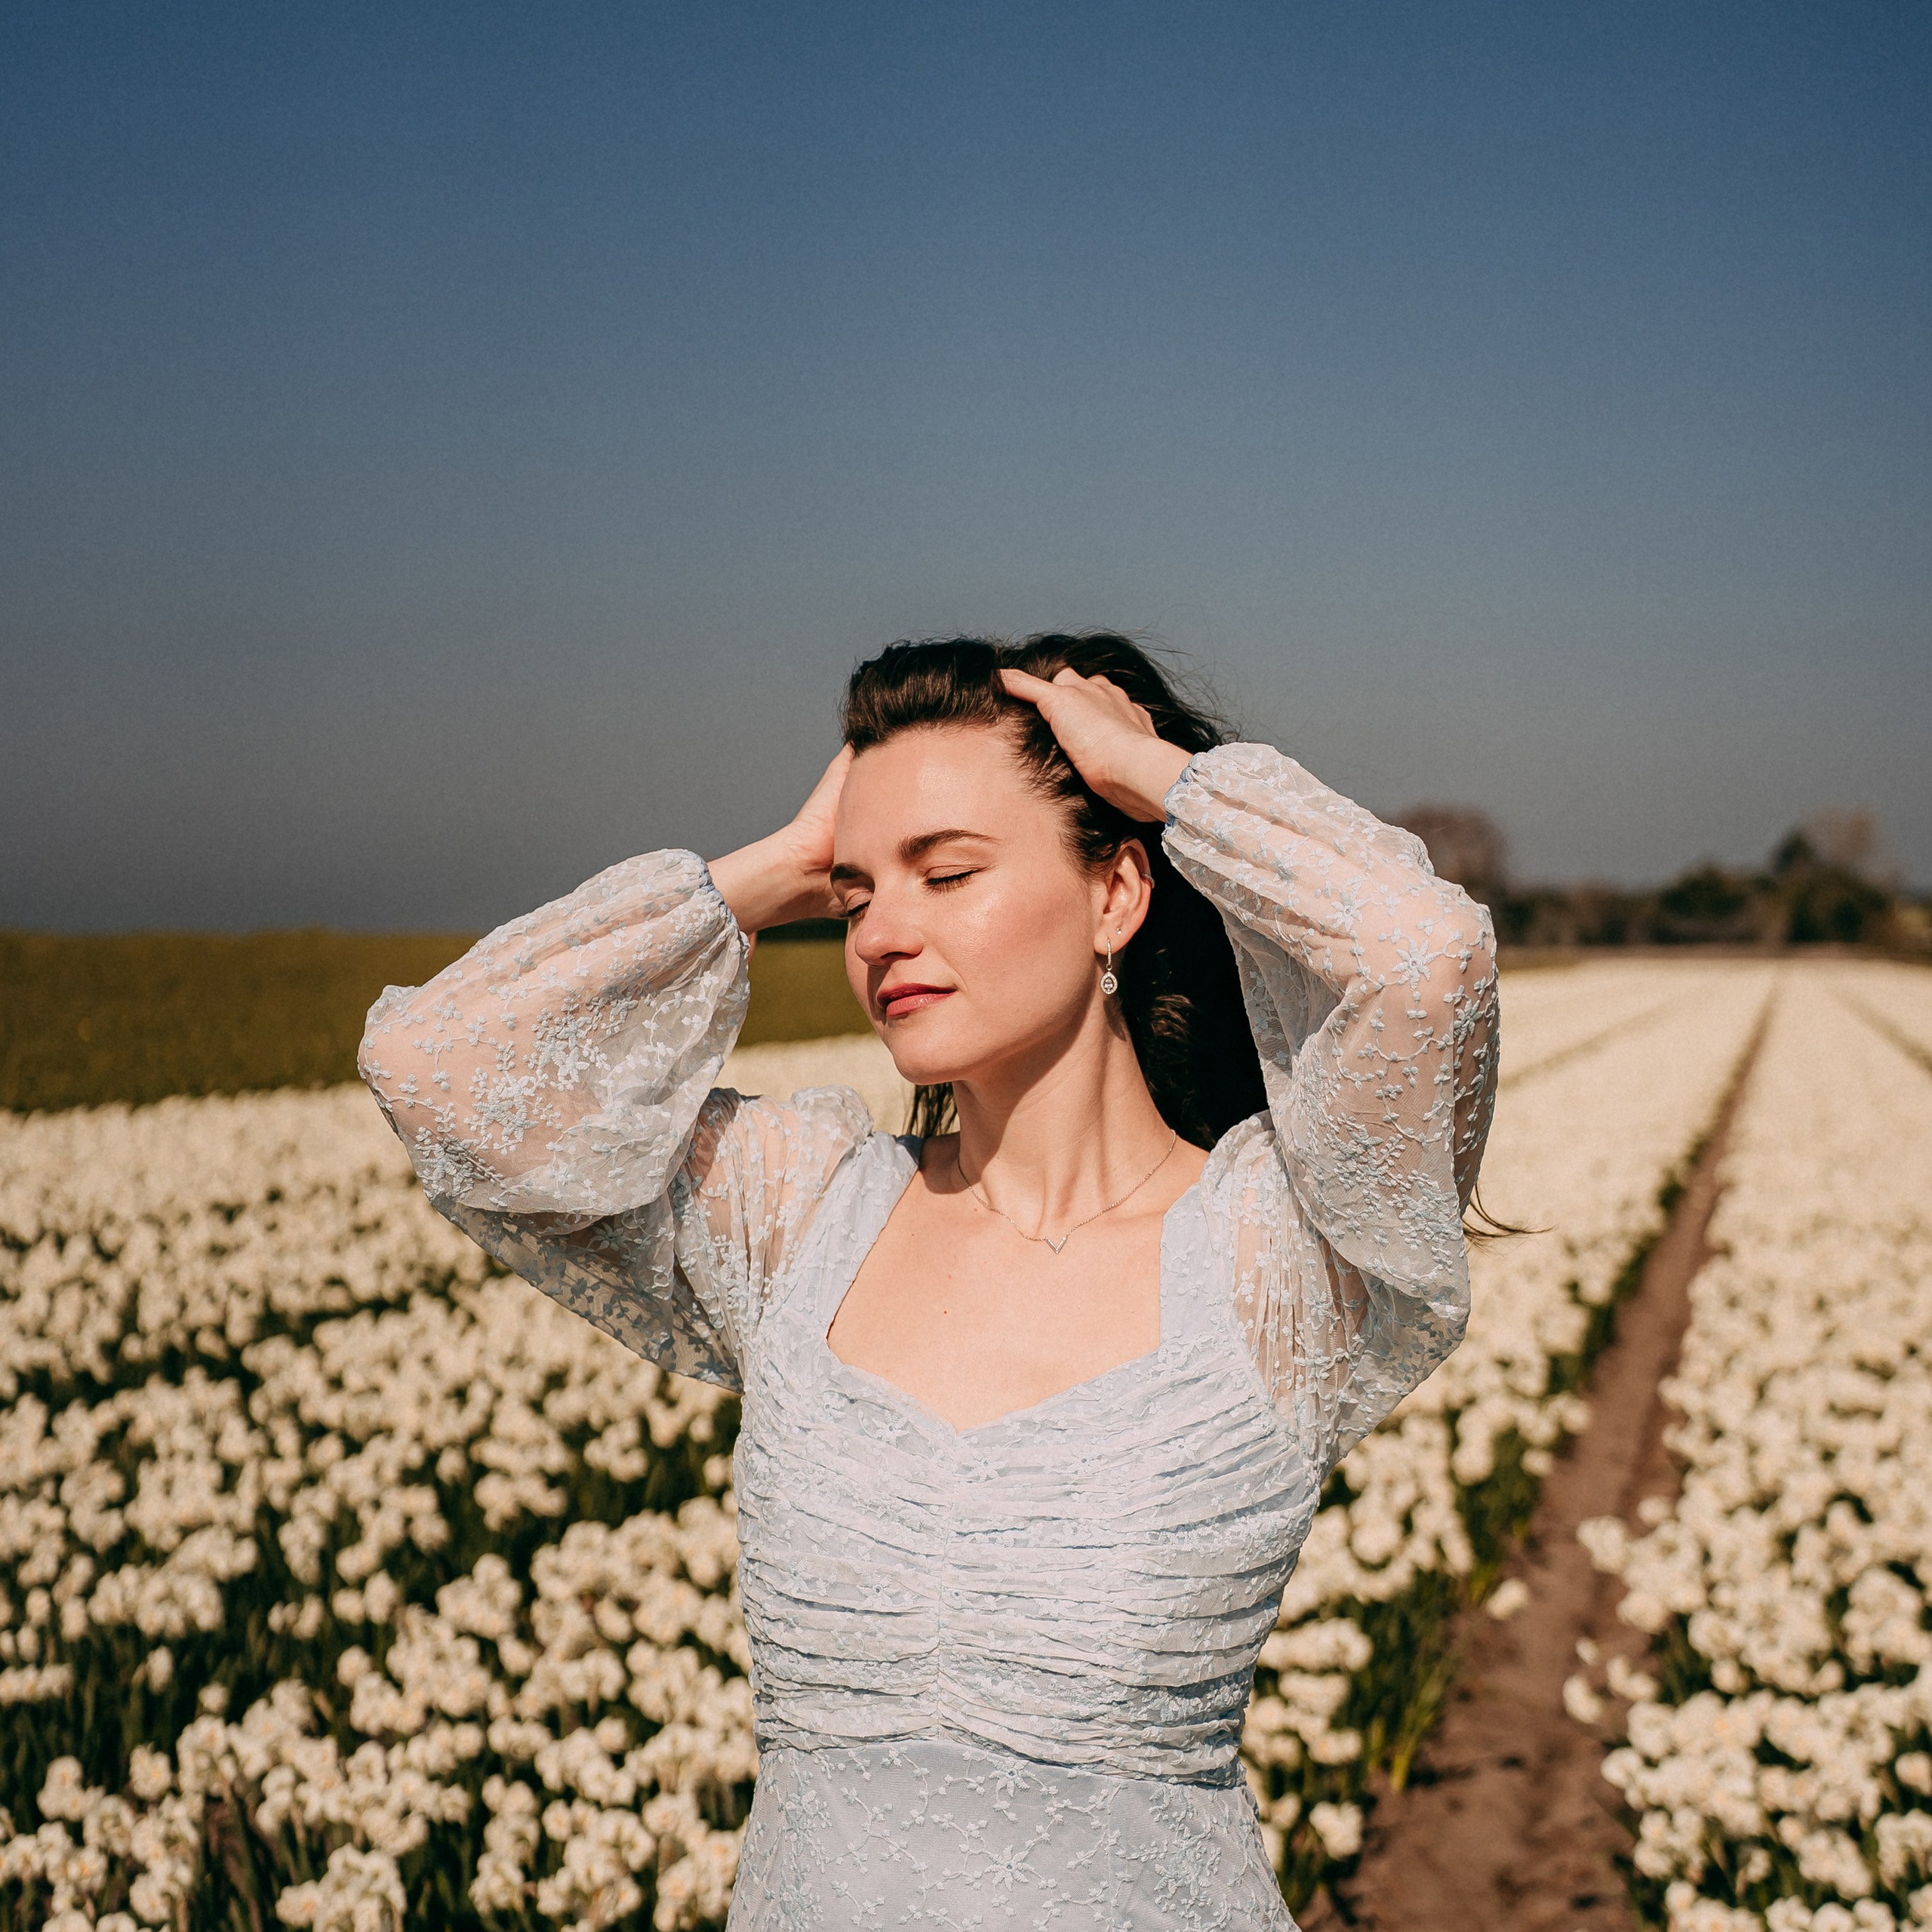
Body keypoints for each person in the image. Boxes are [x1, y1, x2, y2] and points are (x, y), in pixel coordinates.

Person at [358, 632, 1500, 1930]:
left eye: (946, 873)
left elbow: (1428, 960)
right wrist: (783, 865)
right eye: (856, 898)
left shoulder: (1274, 1257)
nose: (883, 935)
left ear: (1118, 892)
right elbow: (434, 1065)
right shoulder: (801, 1211)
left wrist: (1164, 778)